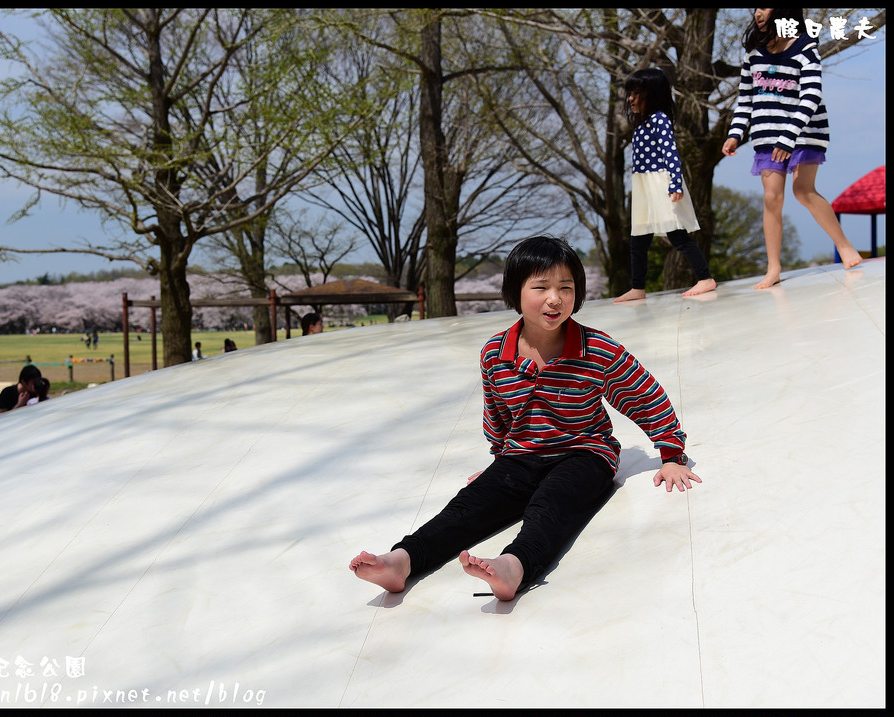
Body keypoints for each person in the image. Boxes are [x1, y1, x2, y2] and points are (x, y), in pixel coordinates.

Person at [350, 235, 702, 602]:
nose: (555, 298)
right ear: (515, 292)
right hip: (521, 454)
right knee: (468, 504)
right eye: (541, 287)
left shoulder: (596, 349)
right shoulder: (495, 353)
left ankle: (514, 565)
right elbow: (497, 413)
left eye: (566, 288)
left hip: (584, 453)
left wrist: (671, 454)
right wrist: (500, 461)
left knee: (552, 504)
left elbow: (643, 395)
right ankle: (403, 561)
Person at [722, 7, 862, 290]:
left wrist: (789, 136)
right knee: (772, 197)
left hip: (805, 129)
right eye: (756, 9)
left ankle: (845, 246)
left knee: (803, 191)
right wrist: (735, 134)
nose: (758, 13)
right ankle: (773, 268)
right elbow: (746, 99)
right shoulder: (753, 53)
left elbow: (812, 94)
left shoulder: (805, 46)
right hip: (766, 133)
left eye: (765, 7)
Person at [614, 68, 716, 303]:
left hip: (660, 183)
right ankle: (637, 287)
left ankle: (705, 277)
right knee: (638, 239)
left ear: (653, 94)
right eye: (630, 93)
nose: (631, 98)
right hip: (642, 186)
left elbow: (671, 153)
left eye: (636, 93)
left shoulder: (659, 120)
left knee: (677, 234)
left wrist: (675, 183)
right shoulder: (641, 125)